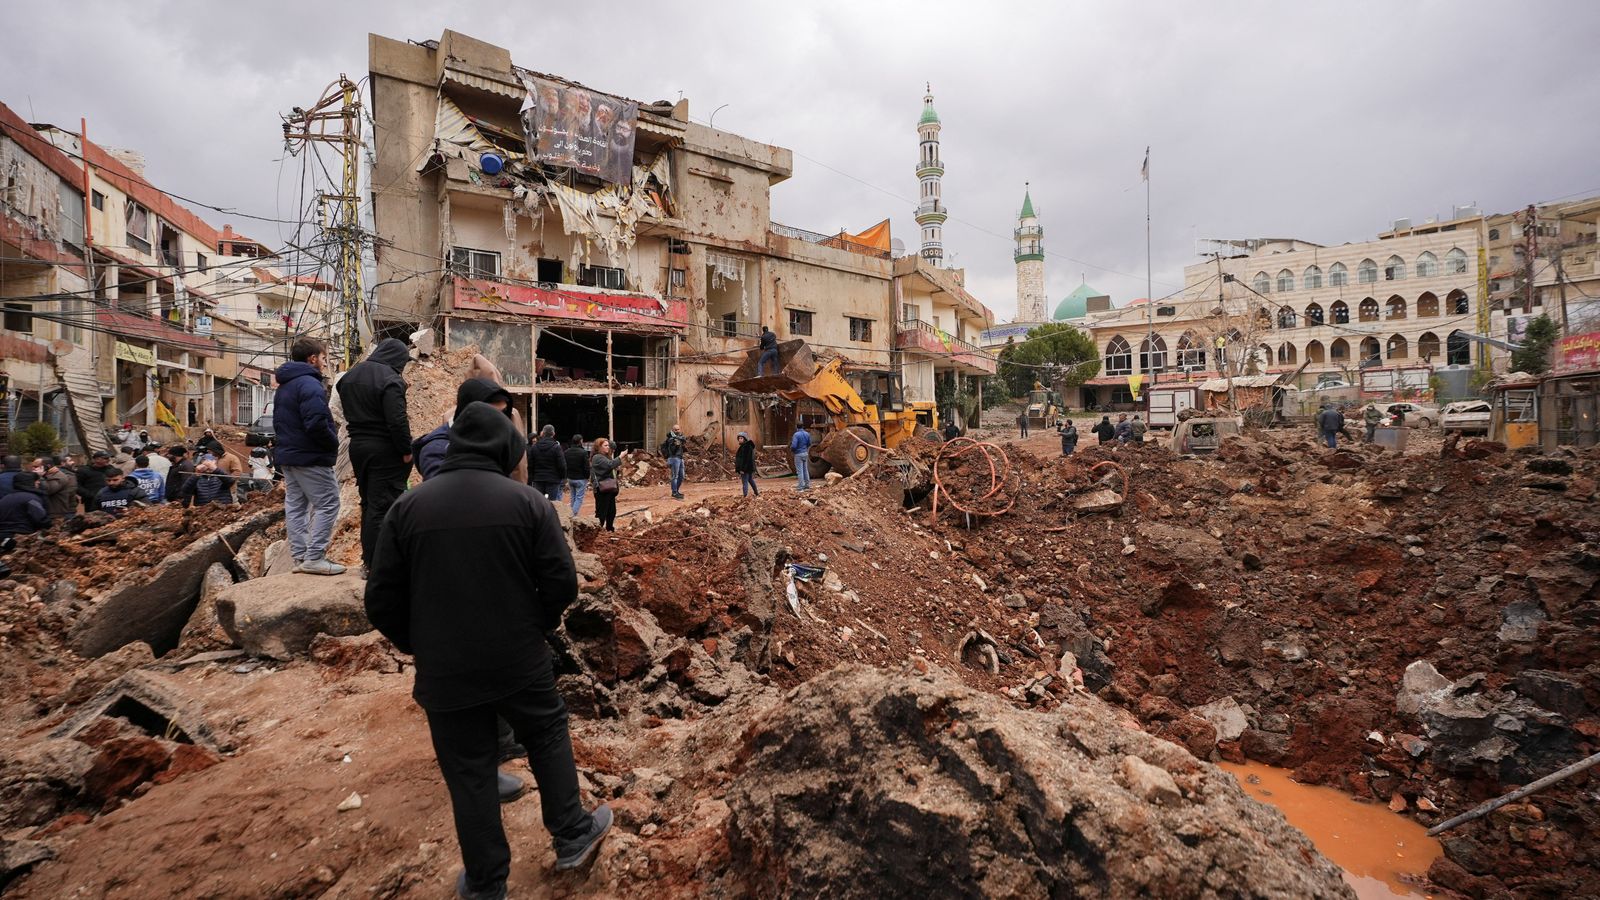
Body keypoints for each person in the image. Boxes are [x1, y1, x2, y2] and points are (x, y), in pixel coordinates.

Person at [364, 402, 612, 898]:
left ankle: (485, 882)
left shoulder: (407, 509)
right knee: (546, 733)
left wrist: (420, 644)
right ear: (506, 449)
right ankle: (571, 833)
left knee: (469, 769)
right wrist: (537, 625)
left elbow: (381, 600)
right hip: (518, 657)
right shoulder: (528, 504)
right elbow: (561, 583)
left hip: (444, 671)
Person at [336, 338, 414, 571]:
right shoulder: (391, 380)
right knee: (383, 506)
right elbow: (397, 421)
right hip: (385, 450)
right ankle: (379, 565)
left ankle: (369, 561)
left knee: (369, 503)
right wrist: (406, 450)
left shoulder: (350, 375)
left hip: (358, 446)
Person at [274, 338, 344, 576]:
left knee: (296, 507)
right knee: (329, 503)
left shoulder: (285, 386)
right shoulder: (310, 385)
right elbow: (316, 423)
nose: (325, 363)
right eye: (324, 358)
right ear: (312, 359)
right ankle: (314, 557)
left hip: (289, 456)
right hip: (310, 456)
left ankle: (301, 558)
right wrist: (333, 442)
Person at [414, 378, 514, 481]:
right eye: (491, 414)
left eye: (503, 412)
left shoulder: (495, 440)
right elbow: (444, 488)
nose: (500, 421)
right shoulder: (437, 449)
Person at [0, 472, 49, 538]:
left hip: (4, 535)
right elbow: (41, 519)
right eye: (36, 480)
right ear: (30, 482)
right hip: (23, 534)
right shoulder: (31, 499)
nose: (38, 482)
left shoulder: (6, 498)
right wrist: (50, 526)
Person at [527, 425, 567, 502]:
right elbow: (562, 465)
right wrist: (562, 477)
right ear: (553, 433)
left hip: (538, 478)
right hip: (553, 479)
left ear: (543, 433)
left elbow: (530, 465)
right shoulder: (556, 447)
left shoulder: (534, 447)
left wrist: (531, 477)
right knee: (552, 502)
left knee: (539, 502)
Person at [589, 438, 619, 532]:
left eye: (608, 445)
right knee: (601, 513)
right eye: (605, 445)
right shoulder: (597, 457)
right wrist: (620, 457)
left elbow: (610, 467)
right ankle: (597, 532)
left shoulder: (605, 457)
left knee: (611, 511)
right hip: (601, 489)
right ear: (599, 447)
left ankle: (609, 529)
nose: (608, 447)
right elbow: (609, 465)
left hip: (609, 488)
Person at [564, 435, 590, 517]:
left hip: (570, 478)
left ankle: (572, 515)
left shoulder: (566, 452)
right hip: (580, 478)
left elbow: (565, 465)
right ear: (581, 441)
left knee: (573, 497)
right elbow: (586, 467)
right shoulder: (583, 452)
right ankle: (572, 515)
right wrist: (587, 476)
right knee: (579, 498)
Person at [660, 425, 687, 501]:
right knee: (675, 476)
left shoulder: (678, 437)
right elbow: (672, 449)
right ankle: (674, 492)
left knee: (681, 476)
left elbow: (684, 439)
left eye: (678, 429)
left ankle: (676, 491)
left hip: (680, 458)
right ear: (672, 430)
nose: (677, 431)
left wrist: (678, 439)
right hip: (674, 458)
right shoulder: (670, 439)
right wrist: (675, 443)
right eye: (675, 430)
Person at [734, 432, 759, 497]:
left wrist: (742, 469)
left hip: (745, 468)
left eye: (741, 438)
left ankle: (745, 496)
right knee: (750, 480)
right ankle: (756, 493)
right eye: (739, 438)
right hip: (749, 468)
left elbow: (746, 460)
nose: (740, 440)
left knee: (744, 481)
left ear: (745, 439)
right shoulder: (746, 446)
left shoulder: (746, 447)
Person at [790, 425, 812, 492]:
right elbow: (809, 443)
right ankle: (807, 485)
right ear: (803, 426)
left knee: (800, 471)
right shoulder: (807, 434)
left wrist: (792, 450)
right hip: (805, 453)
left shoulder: (796, 435)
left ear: (797, 427)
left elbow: (794, 446)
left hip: (798, 454)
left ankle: (800, 487)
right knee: (805, 470)